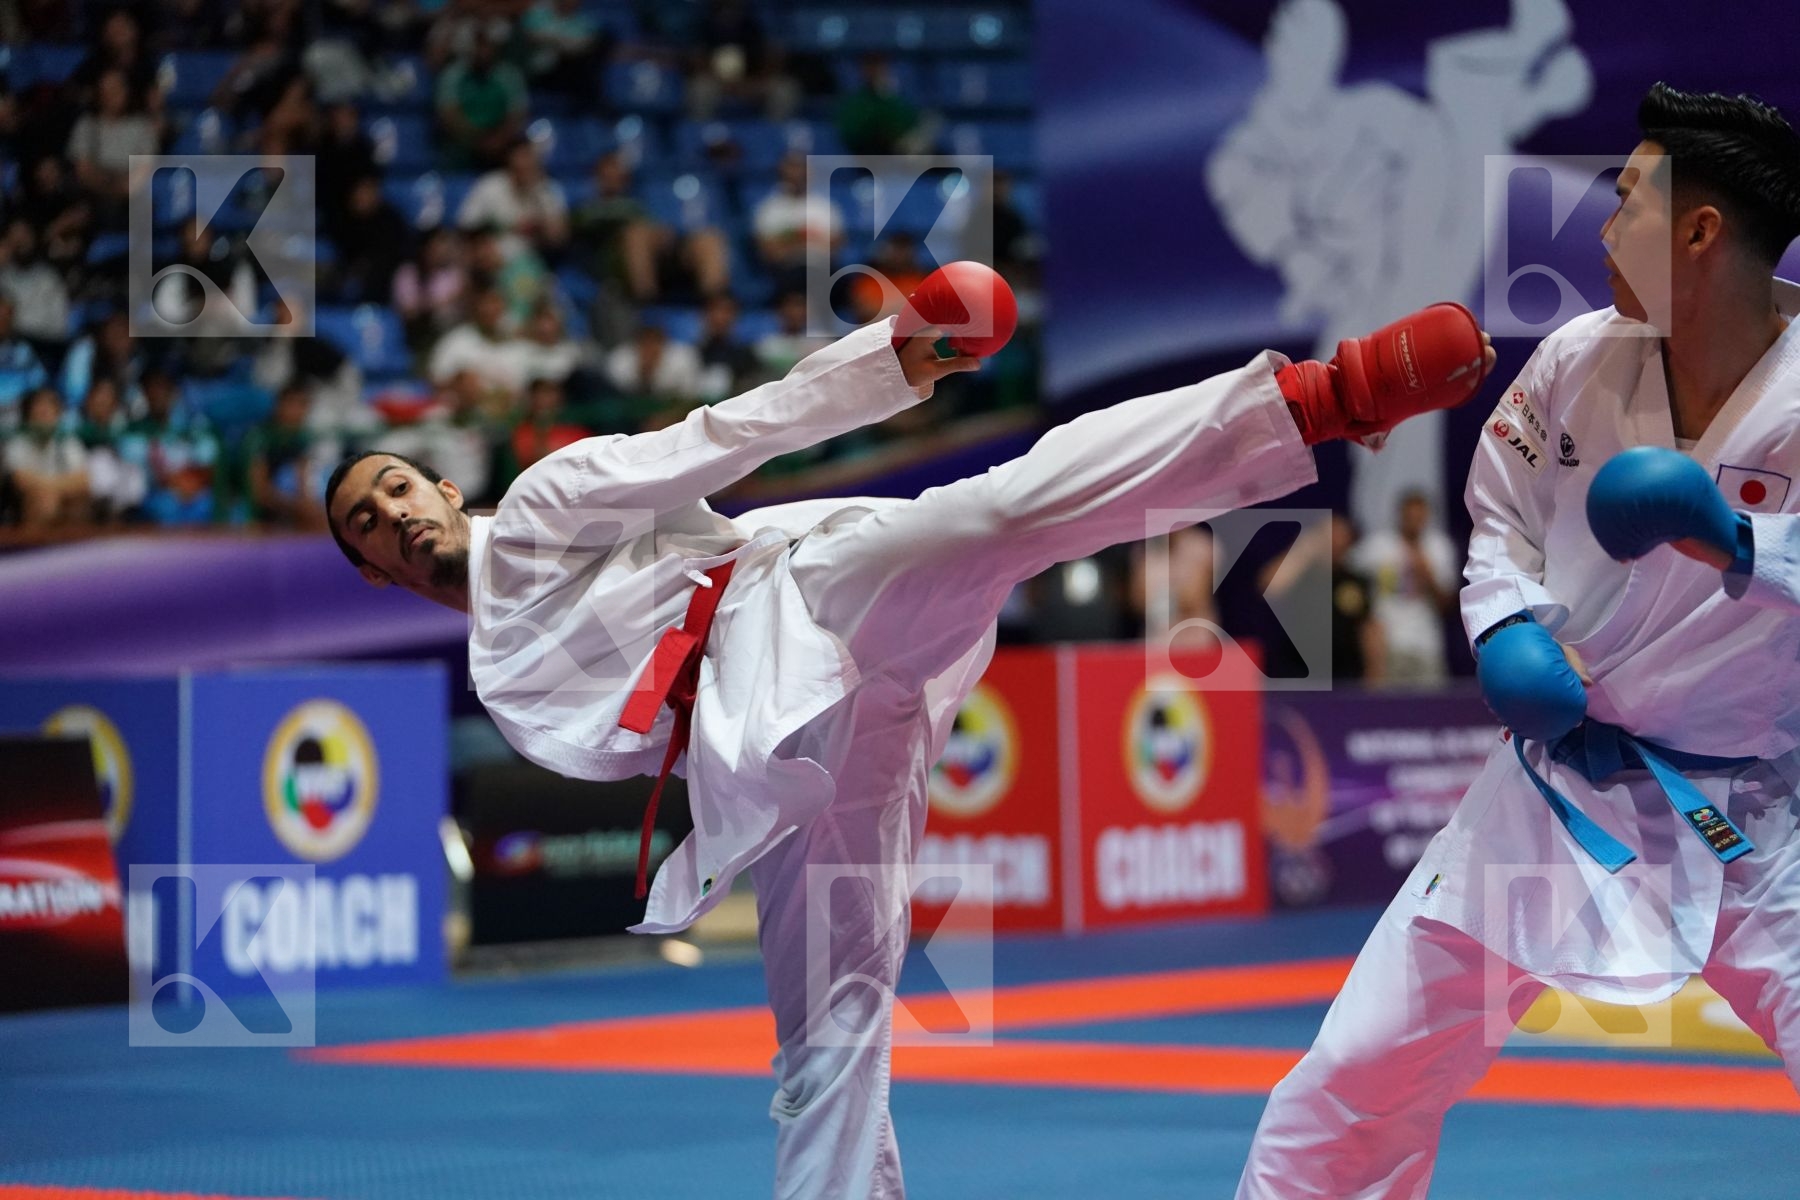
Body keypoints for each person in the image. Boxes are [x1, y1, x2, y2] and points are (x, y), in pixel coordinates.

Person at [325, 274, 1493, 1200]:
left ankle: (1318, 399)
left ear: (439, 482)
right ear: (373, 571)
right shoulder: (503, 679)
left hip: (800, 601)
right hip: (784, 767)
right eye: (365, 526)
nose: (392, 517)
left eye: (394, 489)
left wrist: (886, 358)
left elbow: (717, 437)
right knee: (826, 1044)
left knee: (996, 517)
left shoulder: (535, 511)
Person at [1237, 83, 1800, 1199]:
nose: (1602, 229)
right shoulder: (1577, 361)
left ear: (1700, 232)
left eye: (1627, 201)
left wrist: (1744, 541)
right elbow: (1500, 522)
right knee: (1363, 1065)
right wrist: (1505, 629)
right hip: (1558, 784)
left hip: (1760, 817)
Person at [1350, 488, 1457, 684]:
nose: (1414, 522)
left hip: (1426, 643)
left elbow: (1446, 604)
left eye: (1419, 517)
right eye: (1410, 517)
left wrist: (1427, 574)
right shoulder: (1378, 545)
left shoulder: (1438, 547)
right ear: (1400, 515)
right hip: (1387, 643)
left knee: (1430, 709)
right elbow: (1347, 576)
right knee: (1385, 710)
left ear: (1427, 517)